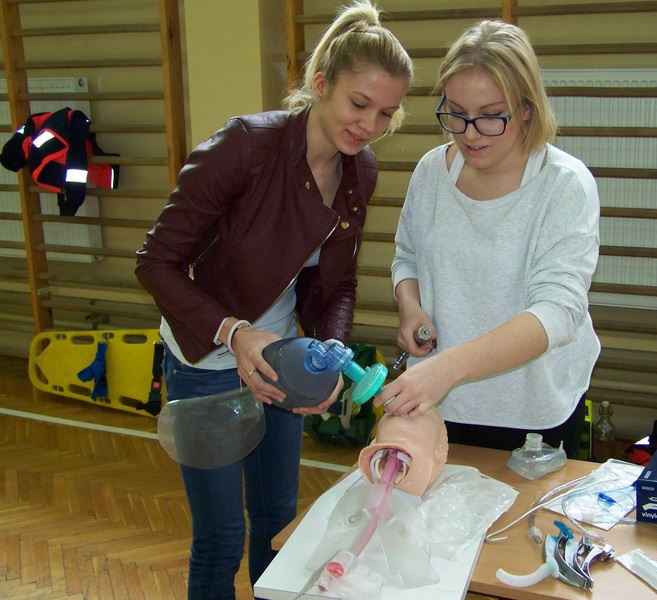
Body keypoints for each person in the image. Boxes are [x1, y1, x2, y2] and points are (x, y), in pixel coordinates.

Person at [135, 2, 412, 597]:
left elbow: (338, 281)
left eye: (386, 113)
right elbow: (154, 262)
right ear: (321, 85)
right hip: (205, 362)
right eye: (359, 104)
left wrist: (330, 352)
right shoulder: (246, 146)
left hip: (283, 361)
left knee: (278, 524)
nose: (369, 125)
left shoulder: (360, 171)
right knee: (220, 538)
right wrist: (235, 334)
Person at [375, 20, 600, 459]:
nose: (470, 133)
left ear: (527, 108)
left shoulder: (563, 186)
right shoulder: (431, 172)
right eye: (456, 113)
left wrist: (448, 368)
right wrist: (411, 307)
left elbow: (557, 311)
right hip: (438, 400)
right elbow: (408, 257)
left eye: (491, 115)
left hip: (532, 412)